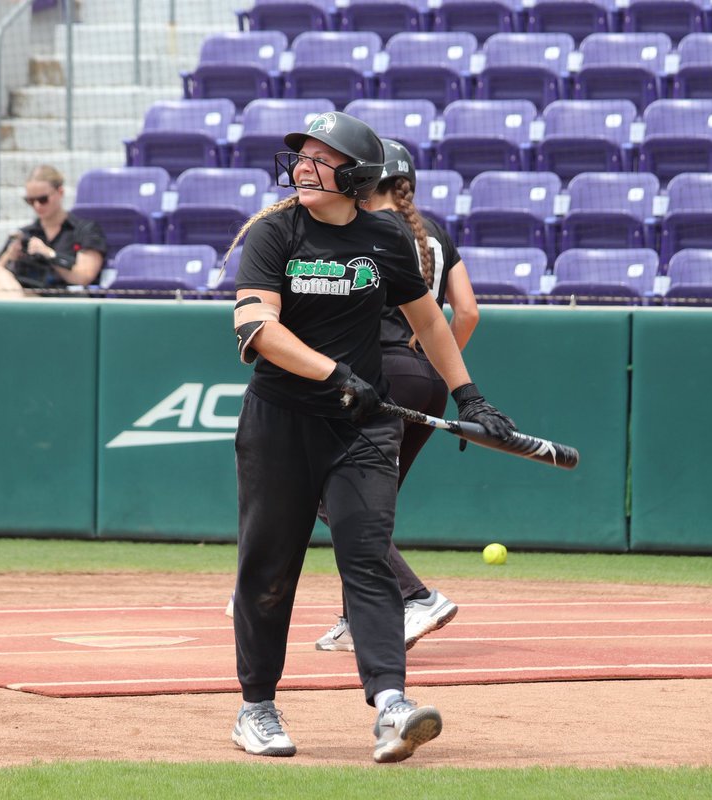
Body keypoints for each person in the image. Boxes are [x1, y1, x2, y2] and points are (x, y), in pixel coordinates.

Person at [224, 110, 516, 763]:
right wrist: (335, 373)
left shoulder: (384, 235)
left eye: (319, 158)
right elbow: (255, 327)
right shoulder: (276, 233)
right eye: (299, 156)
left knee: (366, 557)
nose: (301, 166)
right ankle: (257, 708)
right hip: (280, 425)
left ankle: (392, 705)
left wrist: (470, 394)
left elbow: (434, 322)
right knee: (268, 571)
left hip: (360, 429)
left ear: (354, 175)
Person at [314, 138, 479, 654]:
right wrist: (434, 354)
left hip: (378, 377)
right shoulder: (434, 232)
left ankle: (416, 596)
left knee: (331, 496)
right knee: (367, 506)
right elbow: (468, 312)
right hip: (429, 379)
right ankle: (355, 617)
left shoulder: (364, 228)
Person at [0, 165, 106, 298]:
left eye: (43, 200)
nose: (37, 206)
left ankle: (16, 313)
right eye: (30, 201)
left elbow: (84, 276)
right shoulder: (25, 234)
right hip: (26, 297)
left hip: (65, 301)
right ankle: (17, 311)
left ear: (60, 193)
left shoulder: (84, 229)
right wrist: (9, 256)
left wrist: (50, 254)